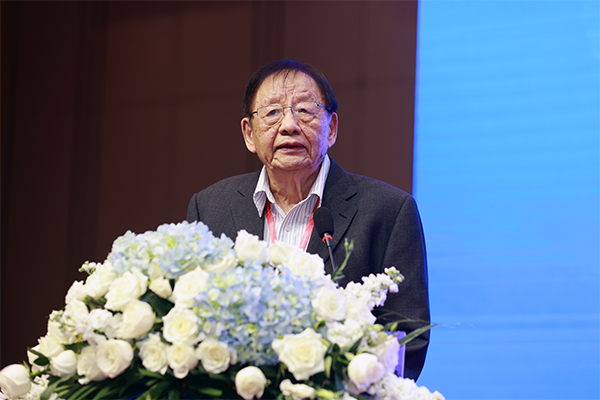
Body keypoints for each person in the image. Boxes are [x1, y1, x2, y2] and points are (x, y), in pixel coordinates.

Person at [186, 60, 430, 380]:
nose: (289, 125)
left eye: (304, 110)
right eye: (272, 112)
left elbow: (408, 340)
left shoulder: (388, 211)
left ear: (332, 128)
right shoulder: (210, 207)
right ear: (249, 133)